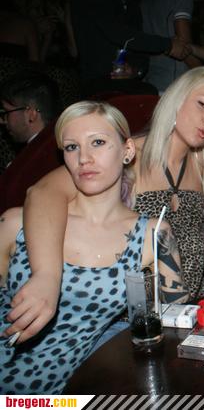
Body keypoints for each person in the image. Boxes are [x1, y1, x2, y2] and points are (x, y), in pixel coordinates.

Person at [12, 67, 204, 345]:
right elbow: (42, 193)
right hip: (126, 323)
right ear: (177, 99)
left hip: (186, 313)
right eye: (202, 104)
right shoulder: (125, 156)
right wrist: (46, 276)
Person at [0, 101, 187, 394]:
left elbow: (178, 320)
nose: (84, 158)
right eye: (71, 147)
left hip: (60, 395)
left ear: (127, 150)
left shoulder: (153, 235)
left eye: (97, 142)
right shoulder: (15, 224)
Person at [70, 0, 192, 96]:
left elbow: (138, 42)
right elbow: (116, 32)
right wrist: (167, 45)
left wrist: (135, 70)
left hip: (129, 85)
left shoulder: (133, 3)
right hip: (96, 84)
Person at [0, 71, 62, 213]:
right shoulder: (59, 144)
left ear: (31, 114)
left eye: (6, 113)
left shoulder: (35, 163)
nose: (2, 121)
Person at [141, 0, 204, 94]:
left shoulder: (144, 2)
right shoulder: (181, 0)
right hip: (175, 83)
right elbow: (184, 47)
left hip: (150, 80)